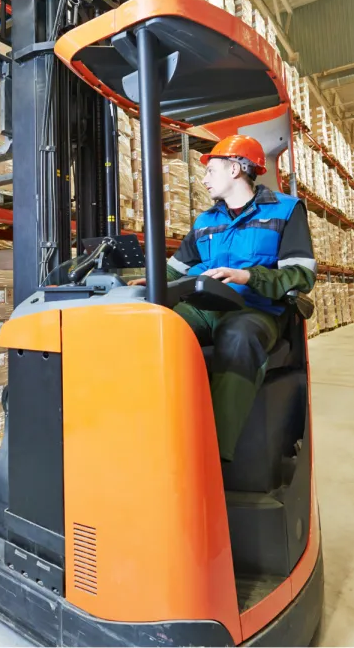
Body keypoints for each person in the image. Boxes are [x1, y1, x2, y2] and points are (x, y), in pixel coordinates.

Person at [132, 134, 316, 460]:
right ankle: (150, 432)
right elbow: (177, 270)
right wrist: (147, 281)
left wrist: (250, 276)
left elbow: (301, 275)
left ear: (234, 169)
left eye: (210, 171)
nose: (203, 179)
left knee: (238, 337)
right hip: (207, 306)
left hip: (255, 309)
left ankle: (213, 456)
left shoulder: (286, 211)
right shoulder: (206, 221)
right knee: (159, 325)